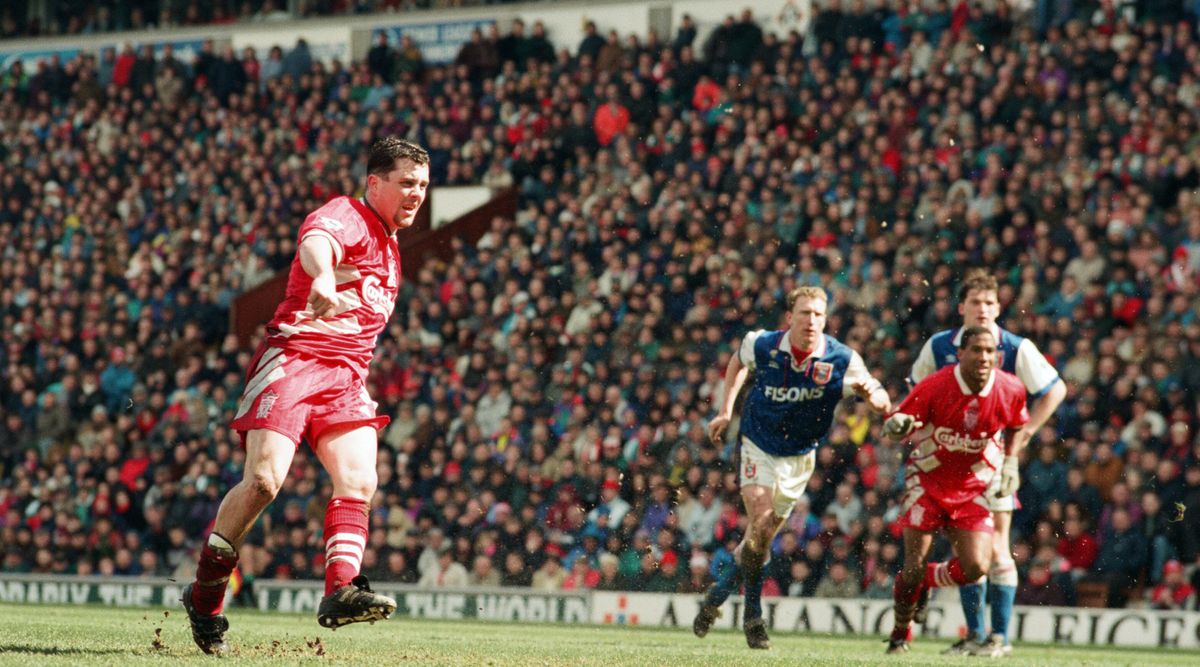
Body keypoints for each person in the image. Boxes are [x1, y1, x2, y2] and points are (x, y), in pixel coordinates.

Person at [181, 137, 430, 655]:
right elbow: (317, 242)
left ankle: (341, 589)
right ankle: (205, 596)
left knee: (360, 480)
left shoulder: (391, 245)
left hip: (345, 377)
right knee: (265, 482)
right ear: (374, 183)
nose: (416, 194)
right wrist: (320, 276)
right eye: (406, 183)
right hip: (295, 361)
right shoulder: (348, 214)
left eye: (423, 186)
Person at [693, 286, 890, 649]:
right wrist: (725, 409)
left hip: (800, 458)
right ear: (789, 318)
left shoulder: (841, 358)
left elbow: (879, 393)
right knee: (760, 516)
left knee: (761, 536)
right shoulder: (764, 344)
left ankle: (718, 595)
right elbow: (737, 361)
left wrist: (875, 398)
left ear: (825, 319)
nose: (811, 320)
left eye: (818, 314)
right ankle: (753, 616)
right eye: (804, 313)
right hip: (758, 446)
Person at [909, 270, 1064, 657]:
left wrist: (1023, 436)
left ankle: (1000, 637)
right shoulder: (939, 346)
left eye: (990, 303)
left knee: (996, 547)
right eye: (976, 303)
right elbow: (917, 394)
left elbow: (1054, 389)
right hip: (947, 464)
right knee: (966, 553)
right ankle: (975, 635)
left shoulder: (1014, 348)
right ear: (961, 308)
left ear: (999, 308)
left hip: (993, 463)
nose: (983, 310)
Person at [884, 326, 1030, 654]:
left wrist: (1011, 462)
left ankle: (927, 580)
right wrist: (897, 426)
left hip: (973, 487)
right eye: (976, 350)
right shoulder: (935, 385)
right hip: (928, 481)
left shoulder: (1010, 388)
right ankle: (898, 634)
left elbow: (1018, 423)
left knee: (977, 567)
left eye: (990, 352)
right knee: (911, 566)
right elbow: (898, 423)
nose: (984, 357)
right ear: (960, 354)